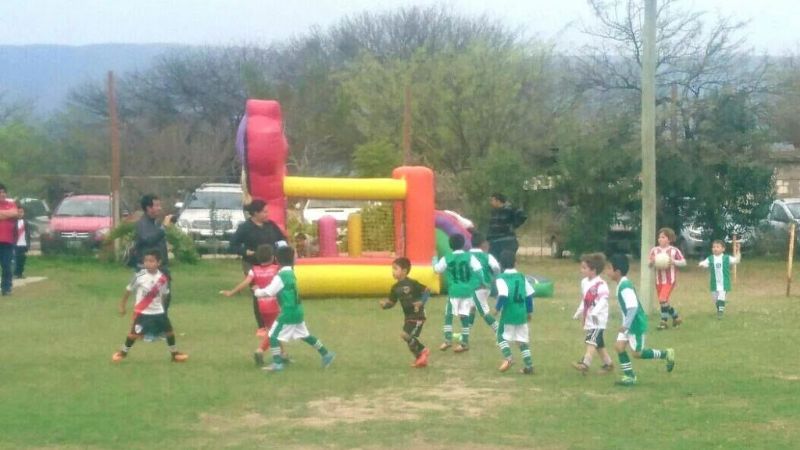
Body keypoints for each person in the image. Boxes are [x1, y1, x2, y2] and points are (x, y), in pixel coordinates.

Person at [254, 246, 335, 372]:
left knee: (273, 336)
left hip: (288, 312)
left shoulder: (281, 276)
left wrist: (257, 292)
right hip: (298, 310)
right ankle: (326, 354)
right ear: (293, 260)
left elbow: (269, 292)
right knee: (305, 335)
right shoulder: (291, 273)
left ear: (276, 259)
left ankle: (277, 363)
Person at [607, 254, 675, 386]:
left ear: (617, 272)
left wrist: (626, 325)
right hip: (628, 323)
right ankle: (630, 376)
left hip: (635, 324)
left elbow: (632, 307)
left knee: (637, 353)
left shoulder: (625, 286)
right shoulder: (621, 284)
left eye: (609, 268)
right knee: (619, 347)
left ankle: (666, 354)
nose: (607, 272)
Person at [111, 250, 189, 363]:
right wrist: (122, 305)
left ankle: (174, 354)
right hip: (143, 312)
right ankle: (122, 353)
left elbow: (164, 295)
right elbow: (128, 291)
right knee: (133, 335)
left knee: (169, 332)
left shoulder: (162, 278)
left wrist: (163, 309)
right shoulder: (139, 276)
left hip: (158, 312)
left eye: (151, 261)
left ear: (158, 262)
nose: (148, 263)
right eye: (146, 261)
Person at [220, 244, 289, 366]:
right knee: (275, 331)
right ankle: (260, 350)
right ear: (273, 257)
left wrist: (231, 292)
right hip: (275, 305)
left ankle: (283, 355)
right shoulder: (276, 269)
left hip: (262, 306)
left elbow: (245, 282)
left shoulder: (254, 270)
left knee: (273, 329)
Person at [229, 199, 288, 336]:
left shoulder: (271, 225)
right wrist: (245, 252)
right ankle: (261, 326)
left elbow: (281, 240)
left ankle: (277, 322)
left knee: (276, 291)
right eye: (264, 212)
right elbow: (232, 245)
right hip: (253, 264)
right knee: (259, 293)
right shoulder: (245, 228)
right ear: (255, 213)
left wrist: (284, 253)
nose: (268, 214)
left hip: (272, 264)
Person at [433, 234, 483, 353]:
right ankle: (464, 342)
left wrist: (433, 261)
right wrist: (475, 283)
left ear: (450, 245)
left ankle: (447, 339)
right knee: (464, 316)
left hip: (454, 290)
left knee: (448, 315)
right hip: (467, 291)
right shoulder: (470, 257)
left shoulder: (447, 258)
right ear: (463, 244)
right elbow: (479, 271)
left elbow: (437, 269)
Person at [380, 257, 431, 368]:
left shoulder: (412, 283)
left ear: (404, 271)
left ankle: (423, 351)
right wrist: (385, 305)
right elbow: (392, 302)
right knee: (407, 337)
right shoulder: (394, 288)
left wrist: (421, 302)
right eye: (392, 269)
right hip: (408, 317)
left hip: (418, 315)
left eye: (395, 268)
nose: (393, 271)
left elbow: (427, 290)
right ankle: (421, 358)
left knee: (405, 335)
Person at [571, 252, 614, 374]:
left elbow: (603, 300)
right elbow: (585, 300)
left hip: (598, 319)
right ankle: (608, 364)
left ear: (593, 270)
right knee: (598, 343)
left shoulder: (601, 284)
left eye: (584, 268)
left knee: (591, 340)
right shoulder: (584, 282)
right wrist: (579, 312)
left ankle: (585, 363)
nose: (582, 270)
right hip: (589, 318)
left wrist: (595, 312)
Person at [494, 250, 536, 375]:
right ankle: (529, 365)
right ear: (516, 263)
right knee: (522, 340)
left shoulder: (501, 278)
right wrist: (529, 312)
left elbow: (503, 295)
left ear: (501, 264)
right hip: (521, 313)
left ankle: (509, 358)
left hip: (508, 314)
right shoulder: (522, 277)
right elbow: (529, 296)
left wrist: (497, 308)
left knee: (500, 336)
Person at [131, 194, 174, 308]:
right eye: (157, 205)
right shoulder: (142, 224)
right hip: (149, 272)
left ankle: (161, 325)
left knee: (164, 302)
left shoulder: (155, 223)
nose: (160, 208)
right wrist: (163, 228)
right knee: (150, 305)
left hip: (161, 269)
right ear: (148, 208)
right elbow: (148, 240)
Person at [648, 227, 687, 329]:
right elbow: (649, 265)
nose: (660, 239)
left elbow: (684, 262)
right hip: (658, 280)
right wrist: (652, 262)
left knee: (662, 299)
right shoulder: (654, 250)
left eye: (663, 237)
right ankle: (676, 317)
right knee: (663, 302)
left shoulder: (674, 251)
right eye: (659, 237)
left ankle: (663, 322)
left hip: (670, 280)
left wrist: (673, 261)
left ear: (669, 239)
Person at [467, 231, 501, 336]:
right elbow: (496, 268)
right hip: (486, 286)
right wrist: (493, 277)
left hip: (476, 287)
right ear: (482, 244)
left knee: (483, 312)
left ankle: (500, 331)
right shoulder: (487, 256)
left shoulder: (466, 256)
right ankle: (466, 332)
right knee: (471, 308)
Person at [698, 240, 740, 319]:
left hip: (724, 282)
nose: (715, 249)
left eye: (717, 247)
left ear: (723, 249)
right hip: (714, 283)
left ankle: (720, 313)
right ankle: (720, 308)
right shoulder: (710, 258)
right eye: (713, 247)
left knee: (721, 296)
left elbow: (736, 260)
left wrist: (738, 251)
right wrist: (701, 264)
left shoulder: (726, 258)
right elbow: (705, 263)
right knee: (715, 300)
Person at [486, 193, 526, 260]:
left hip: (507, 242)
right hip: (494, 242)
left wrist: (513, 226)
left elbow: (523, 216)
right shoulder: (494, 212)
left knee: (506, 262)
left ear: (498, 201)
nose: (491, 203)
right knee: (494, 262)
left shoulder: (510, 209)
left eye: (492, 200)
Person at [0, 183, 18, 296]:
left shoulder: (11, 204)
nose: (2, 194)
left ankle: (6, 288)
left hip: (7, 241)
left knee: (6, 266)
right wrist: (7, 215)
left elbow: (15, 213)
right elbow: (10, 214)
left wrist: (2, 214)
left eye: (3, 192)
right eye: (0, 192)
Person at [14, 206, 32, 279]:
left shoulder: (26, 222)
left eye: (21, 212)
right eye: (18, 212)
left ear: (23, 213)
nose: (20, 213)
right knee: (17, 259)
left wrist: (28, 244)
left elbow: (28, 234)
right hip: (16, 244)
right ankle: (16, 273)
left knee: (22, 259)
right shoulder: (13, 222)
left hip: (24, 243)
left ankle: (20, 273)